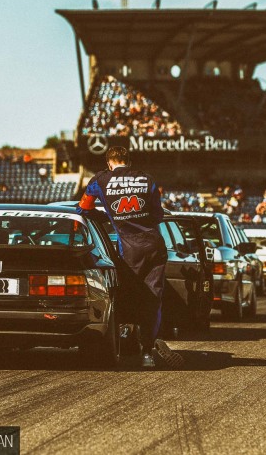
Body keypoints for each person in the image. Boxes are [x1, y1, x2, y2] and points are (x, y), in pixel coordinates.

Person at [77, 146, 183, 369]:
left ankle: (125, 341)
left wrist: (106, 215)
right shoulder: (146, 179)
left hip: (128, 248)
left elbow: (83, 208)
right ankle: (147, 351)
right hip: (154, 245)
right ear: (129, 162)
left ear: (108, 163)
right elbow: (158, 214)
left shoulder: (100, 179)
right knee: (153, 299)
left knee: (124, 296)